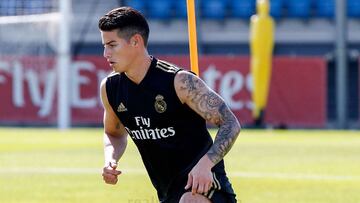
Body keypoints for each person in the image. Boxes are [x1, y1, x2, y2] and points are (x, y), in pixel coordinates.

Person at [98, 7, 241, 203]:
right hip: (168, 193)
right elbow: (114, 133)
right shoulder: (111, 88)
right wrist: (110, 158)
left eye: (112, 45)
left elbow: (230, 123)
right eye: (104, 45)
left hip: (203, 186)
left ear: (135, 41)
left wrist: (206, 164)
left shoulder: (179, 81)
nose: (106, 53)